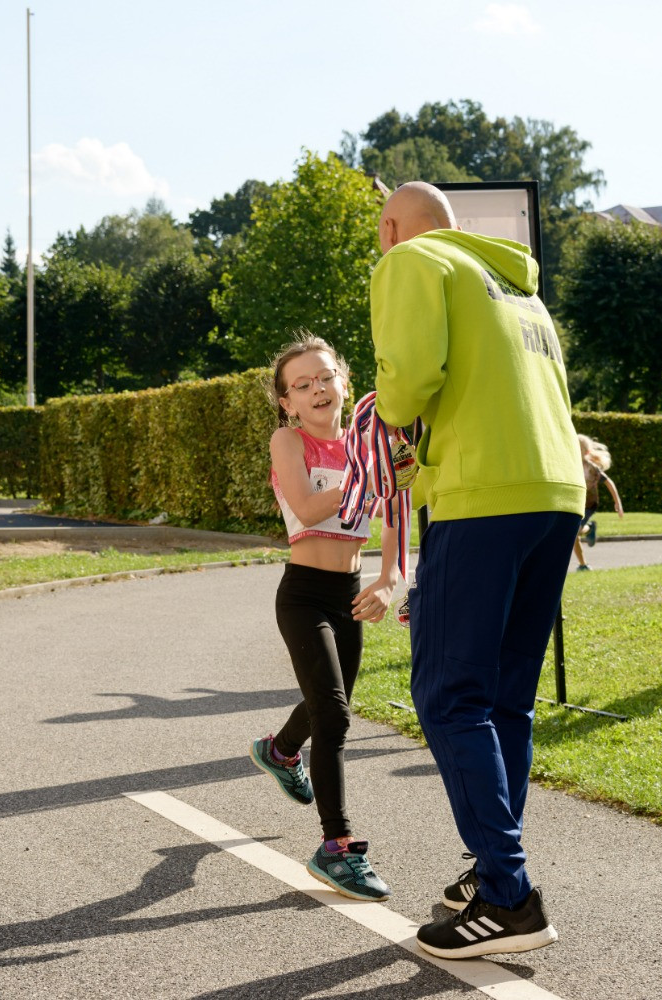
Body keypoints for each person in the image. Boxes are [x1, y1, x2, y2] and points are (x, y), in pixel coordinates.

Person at [371, 182, 586, 958]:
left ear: (395, 226)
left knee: (448, 695)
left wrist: (399, 429)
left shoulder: (412, 260)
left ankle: (508, 894)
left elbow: (403, 389)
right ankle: (492, 871)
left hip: (480, 495)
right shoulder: (520, 289)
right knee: (505, 700)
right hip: (555, 492)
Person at [250, 331, 398, 901]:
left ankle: (280, 751)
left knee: (330, 702)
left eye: (325, 377)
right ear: (286, 401)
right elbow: (310, 507)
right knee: (334, 716)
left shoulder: (371, 440)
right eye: (301, 384)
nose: (316, 389)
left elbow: (393, 513)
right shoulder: (288, 443)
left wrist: (389, 580)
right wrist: (366, 471)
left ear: (344, 381)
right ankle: (336, 848)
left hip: (352, 590)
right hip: (304, 593)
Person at [573, 434, 624, 570]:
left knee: (574, 531)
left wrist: (617, 502)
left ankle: (589, 528)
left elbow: (608, 482)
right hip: (576, 503)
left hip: (589, 505)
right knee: (573, 534)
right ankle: (583, 565)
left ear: (586, 452)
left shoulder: (591, 468)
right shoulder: (571, 466)